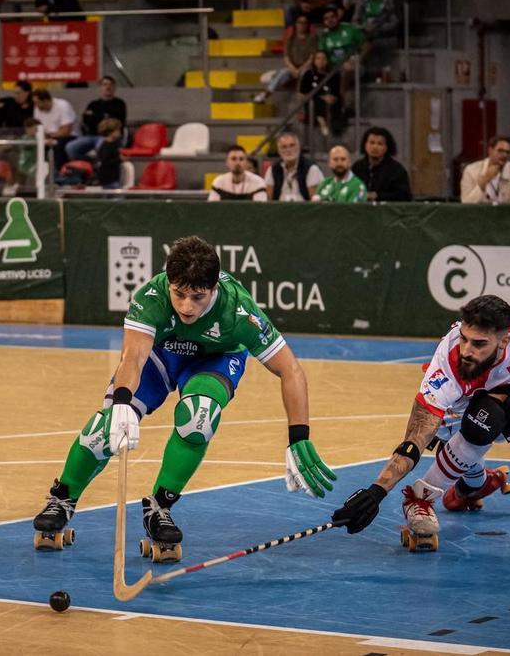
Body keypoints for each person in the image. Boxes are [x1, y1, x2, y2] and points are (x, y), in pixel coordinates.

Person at [31, 235, 337, 559]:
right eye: (179, 294)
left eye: (197, 297)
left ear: (215, 287)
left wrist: (298, 436)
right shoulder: (152, 296)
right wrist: (121, 403)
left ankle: (159, 507)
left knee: (198, 418)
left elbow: (291, 370)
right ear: (168, 282)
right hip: (161, 355)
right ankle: (63, 498)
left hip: (213, 360)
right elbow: (132, 358)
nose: (187, 306)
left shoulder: (239, 310)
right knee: (104, 429)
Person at [332, 295, 510, 551]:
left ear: (505, 339)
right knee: (452, 440)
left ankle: (419, 499)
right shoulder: (448, 366)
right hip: (461, 397)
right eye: (464, 338)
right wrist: (377, 491)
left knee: (482, 423)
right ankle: (475, 485)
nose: (467, 350)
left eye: (479, 344)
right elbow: (415, 441)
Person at [254, 15, 317, 104]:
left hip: (306, 67)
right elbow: (286, 57)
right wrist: (293, 69)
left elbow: (311, 58)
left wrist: (301, 69)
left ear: (307, 25)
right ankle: (265, 95)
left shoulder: (312, 38)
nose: (302, 25)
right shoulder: (291, 39)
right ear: (296, 24)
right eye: (300, 22)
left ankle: (301, 105)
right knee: (283, 73)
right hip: (292, 67)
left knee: (304, 75)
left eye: (304, 23)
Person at [66, 76, 128, 160]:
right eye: (105, 84)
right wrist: (104, 117)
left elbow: (115, 123)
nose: (108, 87)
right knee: (70, 148)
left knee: (103, 148)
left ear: (114, 88)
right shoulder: (93, 104)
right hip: (91, 136)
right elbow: (86, 120)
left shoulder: (119, 104)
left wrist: (95, 116)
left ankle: (101, 166)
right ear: (100, 88)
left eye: (110, 85)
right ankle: (91, 162)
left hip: (109, 137)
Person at [317, 7, 363, 103]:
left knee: (347, 69)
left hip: (353, 64)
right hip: (333, 66)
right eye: (326, 18)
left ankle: (341, 101)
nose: (330, 20)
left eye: (332, 17)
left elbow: (367, 44)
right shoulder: (324, 36)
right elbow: (321, 53)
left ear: (338, 17)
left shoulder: (350, 28)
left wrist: (359, 58)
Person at [351, 126, 411, 201]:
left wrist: (377, 196)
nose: (375, 147)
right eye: (371, 143)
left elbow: (404, 196)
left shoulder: (397, 170)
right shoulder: (357, 167)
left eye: (380, 144)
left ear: (386, 148)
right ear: (365, 145)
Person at [460, 135, 510, 204]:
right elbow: (466, 203)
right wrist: (484, 179)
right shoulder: (471, 170)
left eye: (507, 152)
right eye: (500, 151)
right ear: (490, 151)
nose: (505, 155)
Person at [265, 132, 322, 201]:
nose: (288, 150)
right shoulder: (272, 170)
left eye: (292, 145)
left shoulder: (311, 169)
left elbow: (315, 201)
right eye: (284, 147)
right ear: (279, 151)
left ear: (298, 147)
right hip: (279, 210)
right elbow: (268, 200)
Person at [298, 50, 342, 138]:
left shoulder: (334, 74)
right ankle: (321, 120)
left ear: (328, 60)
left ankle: (323, 120)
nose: (321, 61)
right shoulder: (308, 74)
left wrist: (331, 98)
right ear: (314, 61)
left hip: (330, 102)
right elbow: (303, 93)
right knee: (314, 102)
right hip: (312, 102)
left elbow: (336, 93)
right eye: (318, 58)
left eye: (323, 58)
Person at [32, 88, 76, 169]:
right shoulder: (37, 109)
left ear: (45, 100)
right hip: (48, 137)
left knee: (59, 145)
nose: (36, 106)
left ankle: (57, 172)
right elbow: (37, 128)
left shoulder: (63, 105)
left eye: (37, 103)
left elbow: (67, 129)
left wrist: (52, 137)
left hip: (68, 137)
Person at [94, 118, 124, 189]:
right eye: (118, 130)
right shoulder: (107, 146)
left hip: (113, 177)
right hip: (109, 178)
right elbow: (105, 161)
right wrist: (120, 159)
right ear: (111, 132)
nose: (120, 132)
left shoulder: (114, 144)